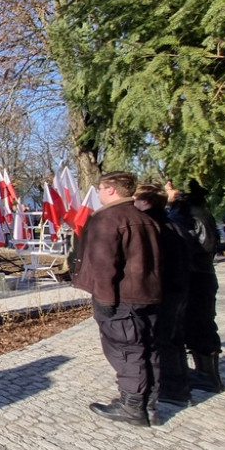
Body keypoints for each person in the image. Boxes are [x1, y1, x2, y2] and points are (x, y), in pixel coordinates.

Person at [72, 171, 162, 427]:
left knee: (126, 351)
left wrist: (104, 298)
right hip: (148, 295)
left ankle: (133, 407)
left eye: (100, 189)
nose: (98, 194)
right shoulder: (144, 217)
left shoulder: (108, 219)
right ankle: (150, 404)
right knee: (149, 349)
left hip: (122, 297)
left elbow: (104, 264)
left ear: (110, 189)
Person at [134, 185, 192, 412]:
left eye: (136, 198)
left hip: (163, 290)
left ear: (146, 202)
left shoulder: (153, 225)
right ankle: (180, 386)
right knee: (174, 338)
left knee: (161, 340)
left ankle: (170, 388)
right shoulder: (170, 221)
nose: (133, 202)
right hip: (178, 287)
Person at [167, 179, 223, 392]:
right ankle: (207, 374)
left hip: (192, 277)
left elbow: (182, 245)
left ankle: (207, 376)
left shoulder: (184, 215)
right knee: (203, 324)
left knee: (198, 325)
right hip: (203, 274)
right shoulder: (199, 212)